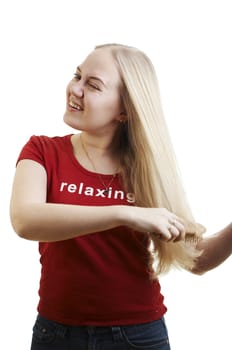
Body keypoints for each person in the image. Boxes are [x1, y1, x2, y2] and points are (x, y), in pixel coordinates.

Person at [10, 43, 232, 350]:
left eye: (93, 84)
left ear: (125, 109)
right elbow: (25, 219)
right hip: (56, 335)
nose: (75, 89)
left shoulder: (149, 170)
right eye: (77, 75)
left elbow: (194, 259)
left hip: (138, 337)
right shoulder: (42, 151)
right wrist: (125, 212)